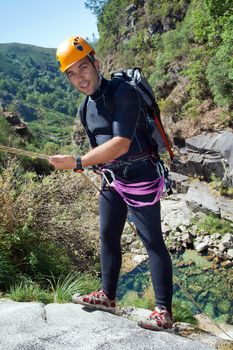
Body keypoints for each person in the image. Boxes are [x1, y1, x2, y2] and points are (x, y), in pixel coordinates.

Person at [49, 35, 173, 331]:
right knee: (107, 235)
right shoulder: (84, 110)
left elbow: (120, 143)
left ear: (96, 63)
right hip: (112, 178)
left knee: (152, 241)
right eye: (72, 74)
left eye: (83, 68)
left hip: (141, 174)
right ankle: (107, 295)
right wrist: (91, 165)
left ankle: (164, 312)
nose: (80, 78)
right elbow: (100, 149)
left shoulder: (123, 93)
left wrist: (79, 161)